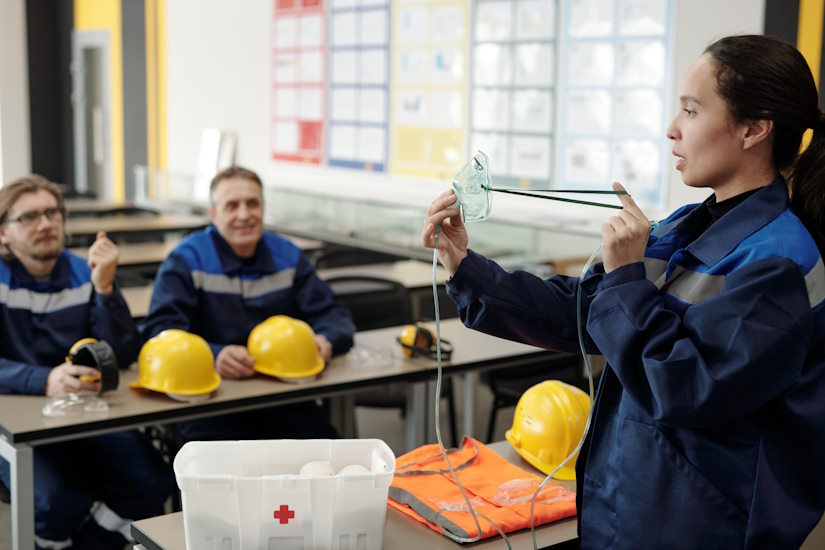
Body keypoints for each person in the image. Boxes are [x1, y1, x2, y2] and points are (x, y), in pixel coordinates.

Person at [422, 34, 825, 548]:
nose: (672, 130)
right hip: (632, 508)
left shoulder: (779, 264)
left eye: (691, 111)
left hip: (702, 527)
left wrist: (627, 279)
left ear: (753, 129)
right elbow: (584, 312)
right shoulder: (686, 228)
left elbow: (685, 387)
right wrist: (463, 265)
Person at [0, 175, 174, 549]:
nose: (46, 223)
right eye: (29, 217)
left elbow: (124, 353)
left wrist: (106, 288)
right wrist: (44, 379)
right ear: (3, 234)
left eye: (51, 213)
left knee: (151, 481)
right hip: (14, 424)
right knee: (56, 502)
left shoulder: (84, 272)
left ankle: (91, 543)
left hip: (85, 412)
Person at [140, 165, 355, 441]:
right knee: (226, 474)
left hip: (283, 395)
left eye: (252, 204)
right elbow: (161, 332)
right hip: (208, 400)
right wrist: (216, 355)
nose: (244, 215)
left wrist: (326, 338)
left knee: (326, 454)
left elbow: (332, 313)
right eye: (232, 206)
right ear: (213, 215)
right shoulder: (186, 261)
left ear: (263, 208)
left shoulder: (287, 256)